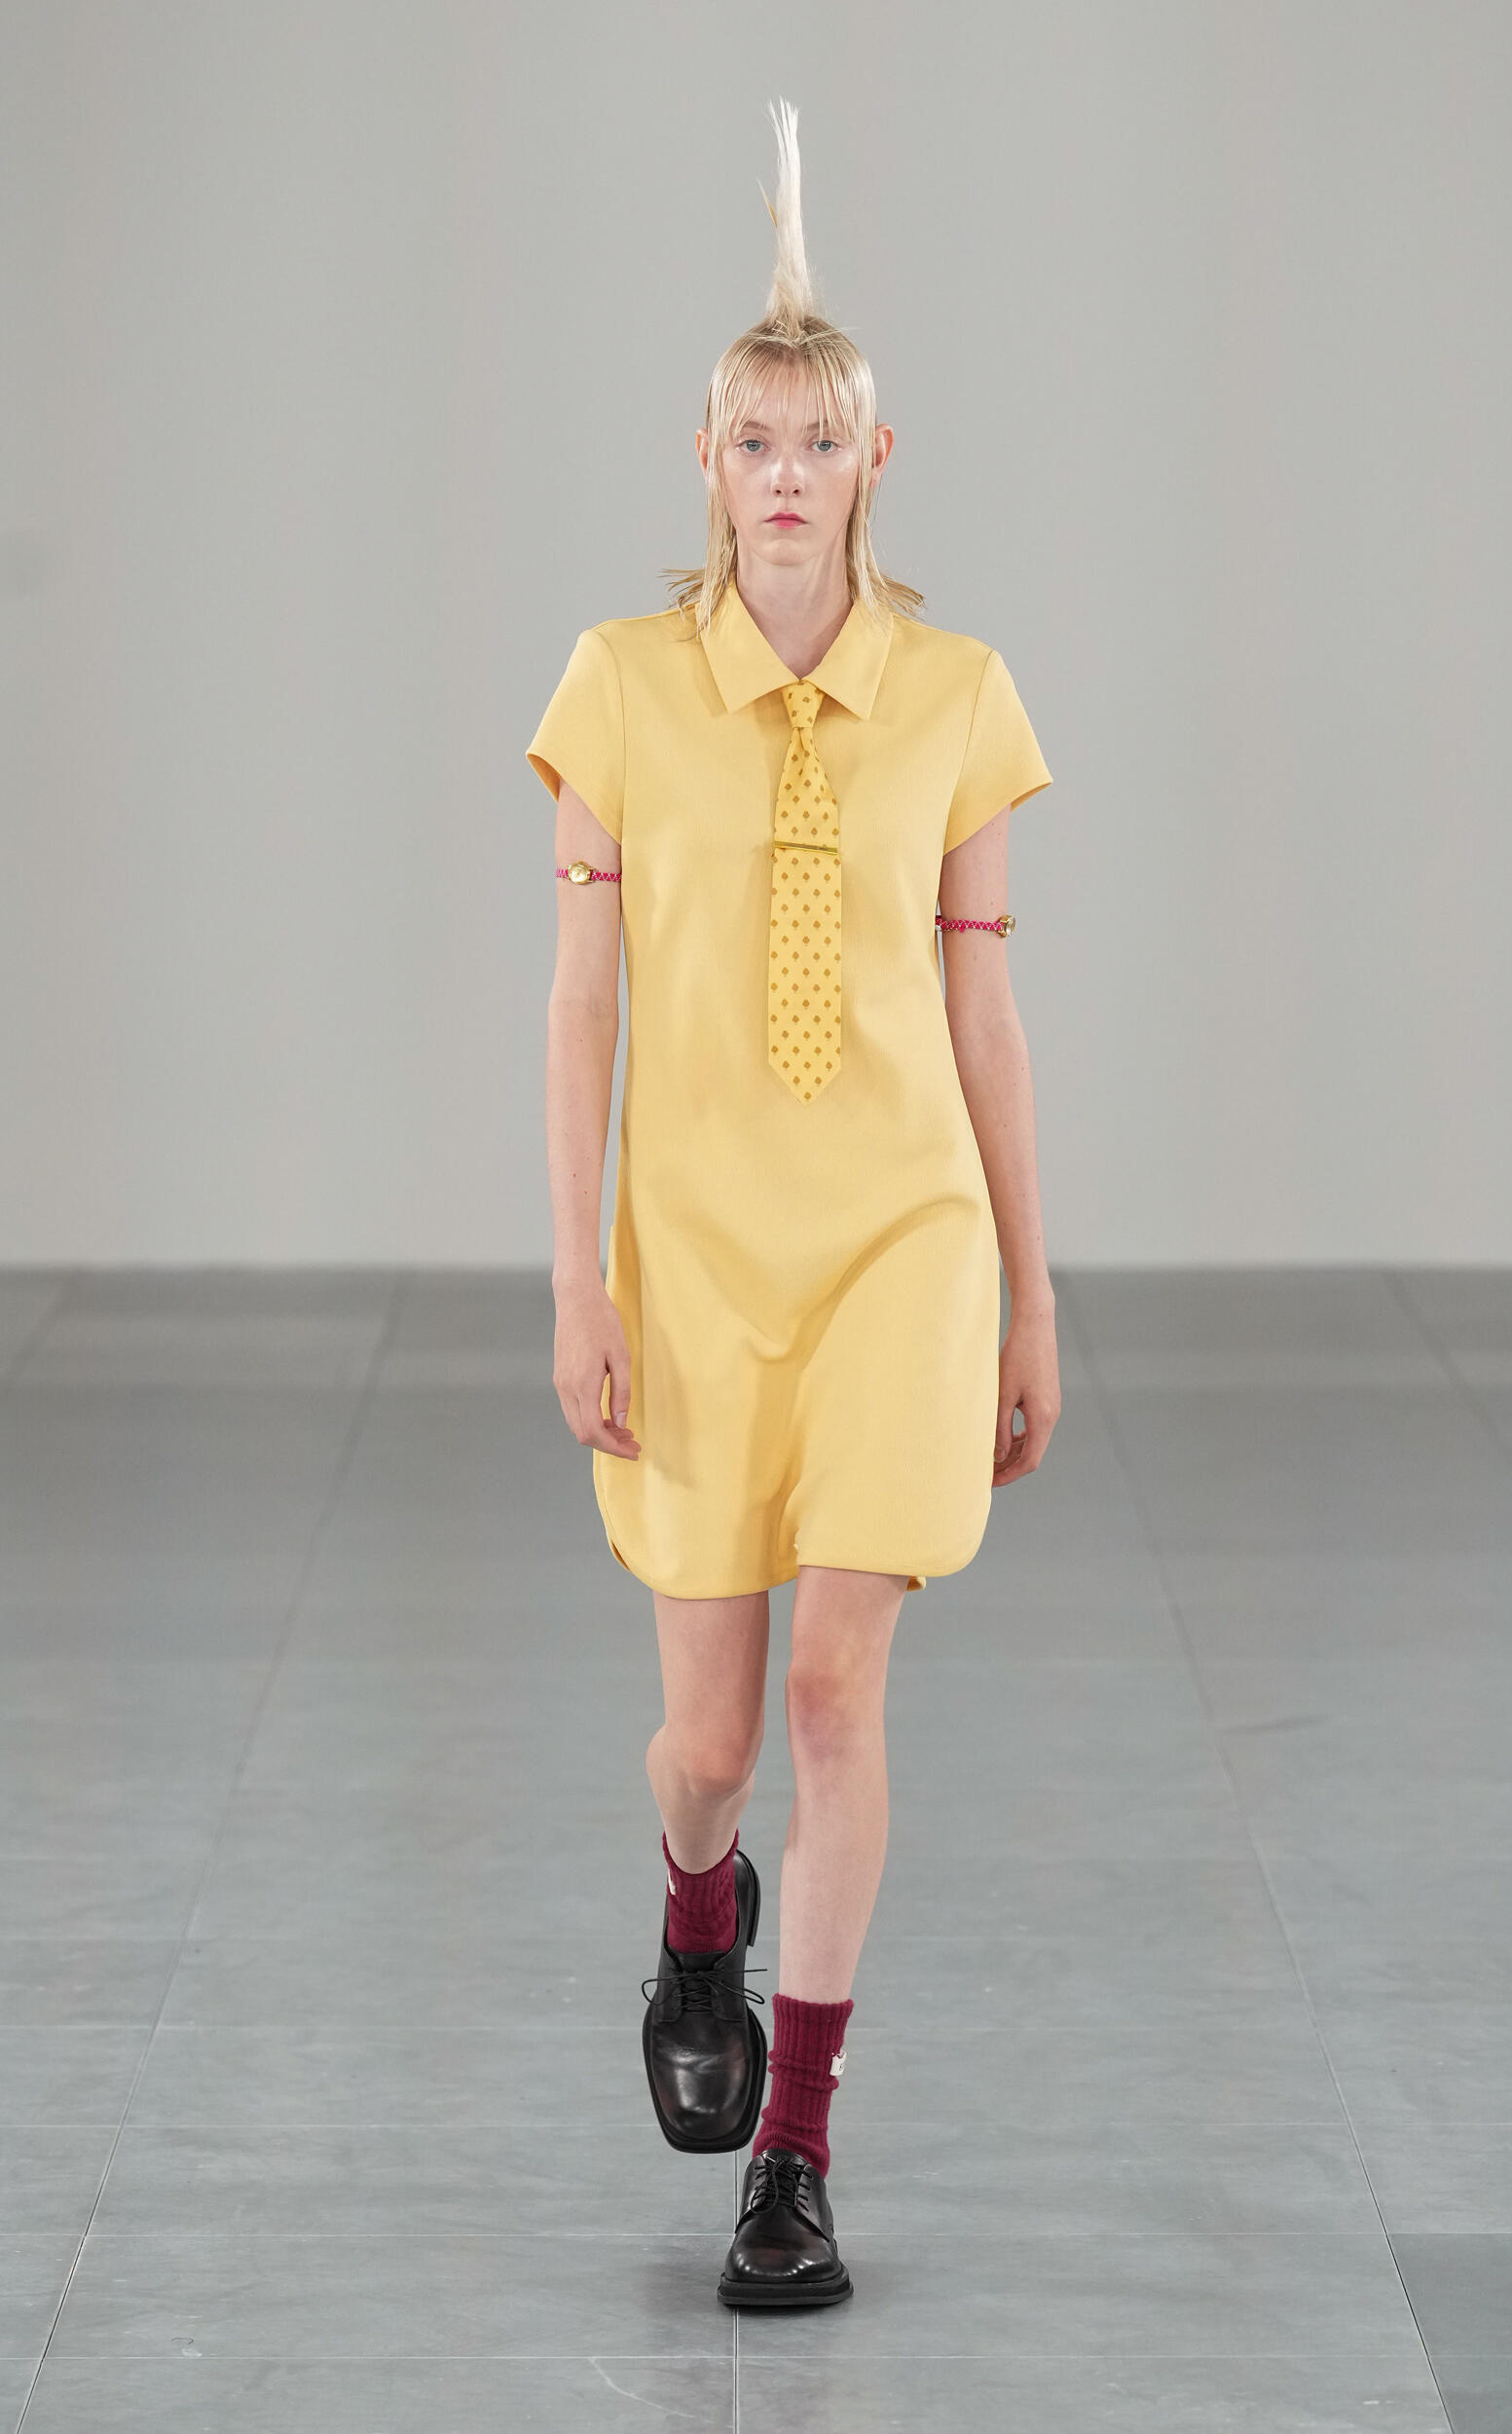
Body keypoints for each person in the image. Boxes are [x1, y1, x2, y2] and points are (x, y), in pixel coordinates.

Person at [527, 97, 1060, 2309]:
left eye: (817, 440)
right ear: (706, 458)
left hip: (904, 1246)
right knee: (716, 1742)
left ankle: (798, 2156)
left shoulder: (957, 697)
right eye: (751, 439)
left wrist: (1031, 1294)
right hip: (697, 1258)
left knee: (838, 1692)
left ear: (873, 461)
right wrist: (583, 1282)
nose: (782, 472)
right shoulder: (621, 689)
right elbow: (580, 1010)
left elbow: (984, 1011)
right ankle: (695, 1910)